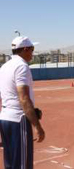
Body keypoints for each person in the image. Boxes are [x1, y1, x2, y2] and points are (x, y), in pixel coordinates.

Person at [0, 36, 45, 169]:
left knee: (11, 163)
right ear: (25, 49)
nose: (32, 53)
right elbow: (24, 99)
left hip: (5, 119)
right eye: (32, 49)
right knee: (22, 165)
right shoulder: (22, 67)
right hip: (18, 121)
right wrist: (37, 127)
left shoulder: (4, 67)